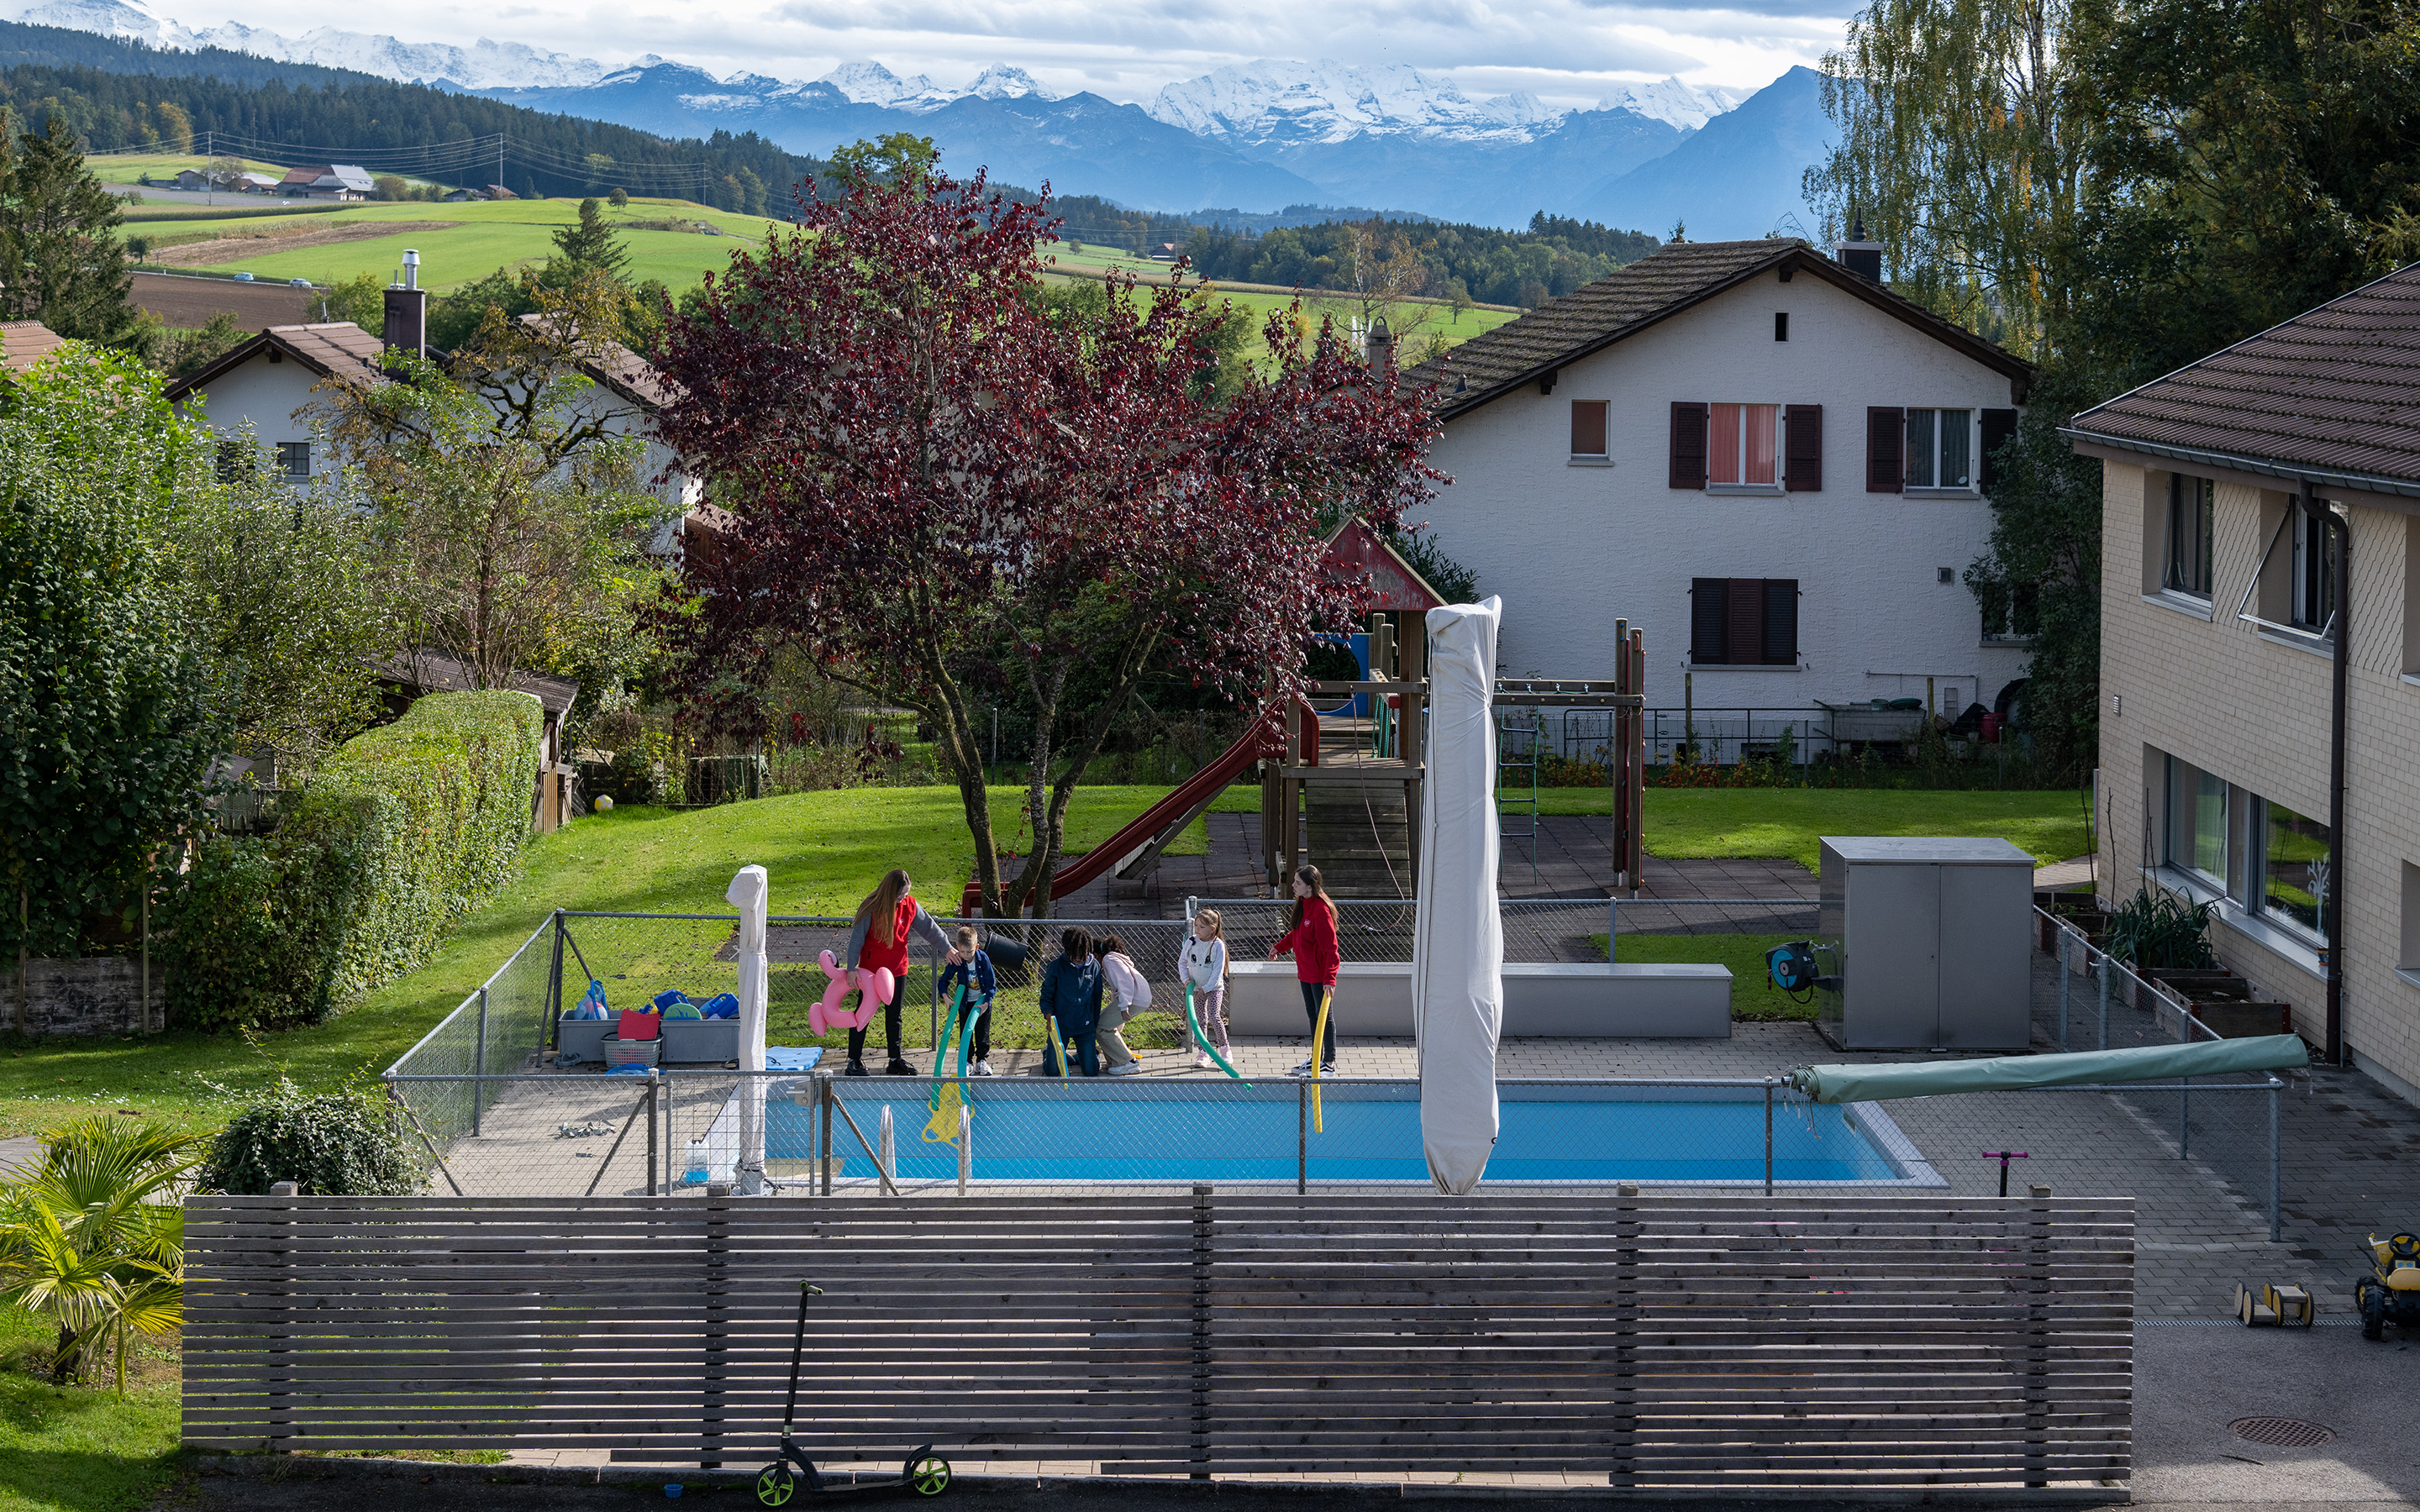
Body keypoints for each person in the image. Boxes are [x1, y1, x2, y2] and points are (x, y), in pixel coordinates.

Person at [842, 869, 958, 1077]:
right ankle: (854, 1060)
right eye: (900, 894)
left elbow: (930, 929)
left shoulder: (910, 906)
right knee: (863, 1014)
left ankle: (895, 1060)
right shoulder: (871, 908)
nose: (903, 897)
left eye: (906, 893)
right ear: (890, 892)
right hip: (870, 973)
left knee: (894, 1016)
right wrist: (851, 969)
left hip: (897, 970)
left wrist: (947, 948)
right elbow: (856, 940)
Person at [1270, 864, 1340, 1076]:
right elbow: (1296, 934)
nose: (1293, 885)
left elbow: (1331, 948)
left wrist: (1330, 978)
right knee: (1313, 1015)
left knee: (1324, 1017)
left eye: (1298, 883)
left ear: (1310, 886)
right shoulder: (1303, 905)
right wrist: (1279, 947)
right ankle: (1317, 1057)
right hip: (1306, 973)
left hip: (1320, 976)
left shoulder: (1321, 910)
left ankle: (1328, 1061)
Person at [1037, 927, 1102, 1077]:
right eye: (1075, 957)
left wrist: (1094, 1024)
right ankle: (1049, 1053)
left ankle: (1088, 1054)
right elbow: (1046, 996)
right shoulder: (1055, 967)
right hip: (1060, 1026)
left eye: (1083, 957)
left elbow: (1097, 997)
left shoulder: (1094, 967)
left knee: (1091, 1071)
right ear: (1067, 951)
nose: (1079, 960)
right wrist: (1048, 1017)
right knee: (1052, 1071)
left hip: (1085, 1027)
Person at [935, 925, 997, 1077]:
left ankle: (982, 1061)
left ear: (976, 947)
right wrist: (946, 997)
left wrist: (987, 1002)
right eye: (962, 951)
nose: (966, 955)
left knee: (982, 1033)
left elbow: (991, 983)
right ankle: (967, 1062)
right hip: (965, 1003)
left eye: (969, 951)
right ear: (958, 947)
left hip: (981, 1003)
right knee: (966, 1033)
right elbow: (943, 981)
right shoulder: (958, 960)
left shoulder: (983, 959)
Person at [1092, 933, 1148, 1078]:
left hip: (1134, 999)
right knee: (1105, 1025)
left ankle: (1127, 1062)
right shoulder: (1114, 958)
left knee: (1100, 1027)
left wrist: (1124, 1006)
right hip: (1139, 997)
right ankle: (1115, 1061)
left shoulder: (1109, 960)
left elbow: (1125, 982)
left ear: (1097, 955)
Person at [1178, 910, 1229, 1070]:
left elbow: (1217, 971)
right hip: (1196, 988)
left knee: (1214, 1016)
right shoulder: (1191, 942)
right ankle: (1203, 1052)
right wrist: (1186, 981)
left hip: (1214, 988)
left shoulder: (1218, 946)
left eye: (1201, 926)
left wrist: (1206, 988)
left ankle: (1224, 1049)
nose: (1197, 929)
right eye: (1196, 926)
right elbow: (1182, 962)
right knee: (1200, 1020)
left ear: (1212, 929)